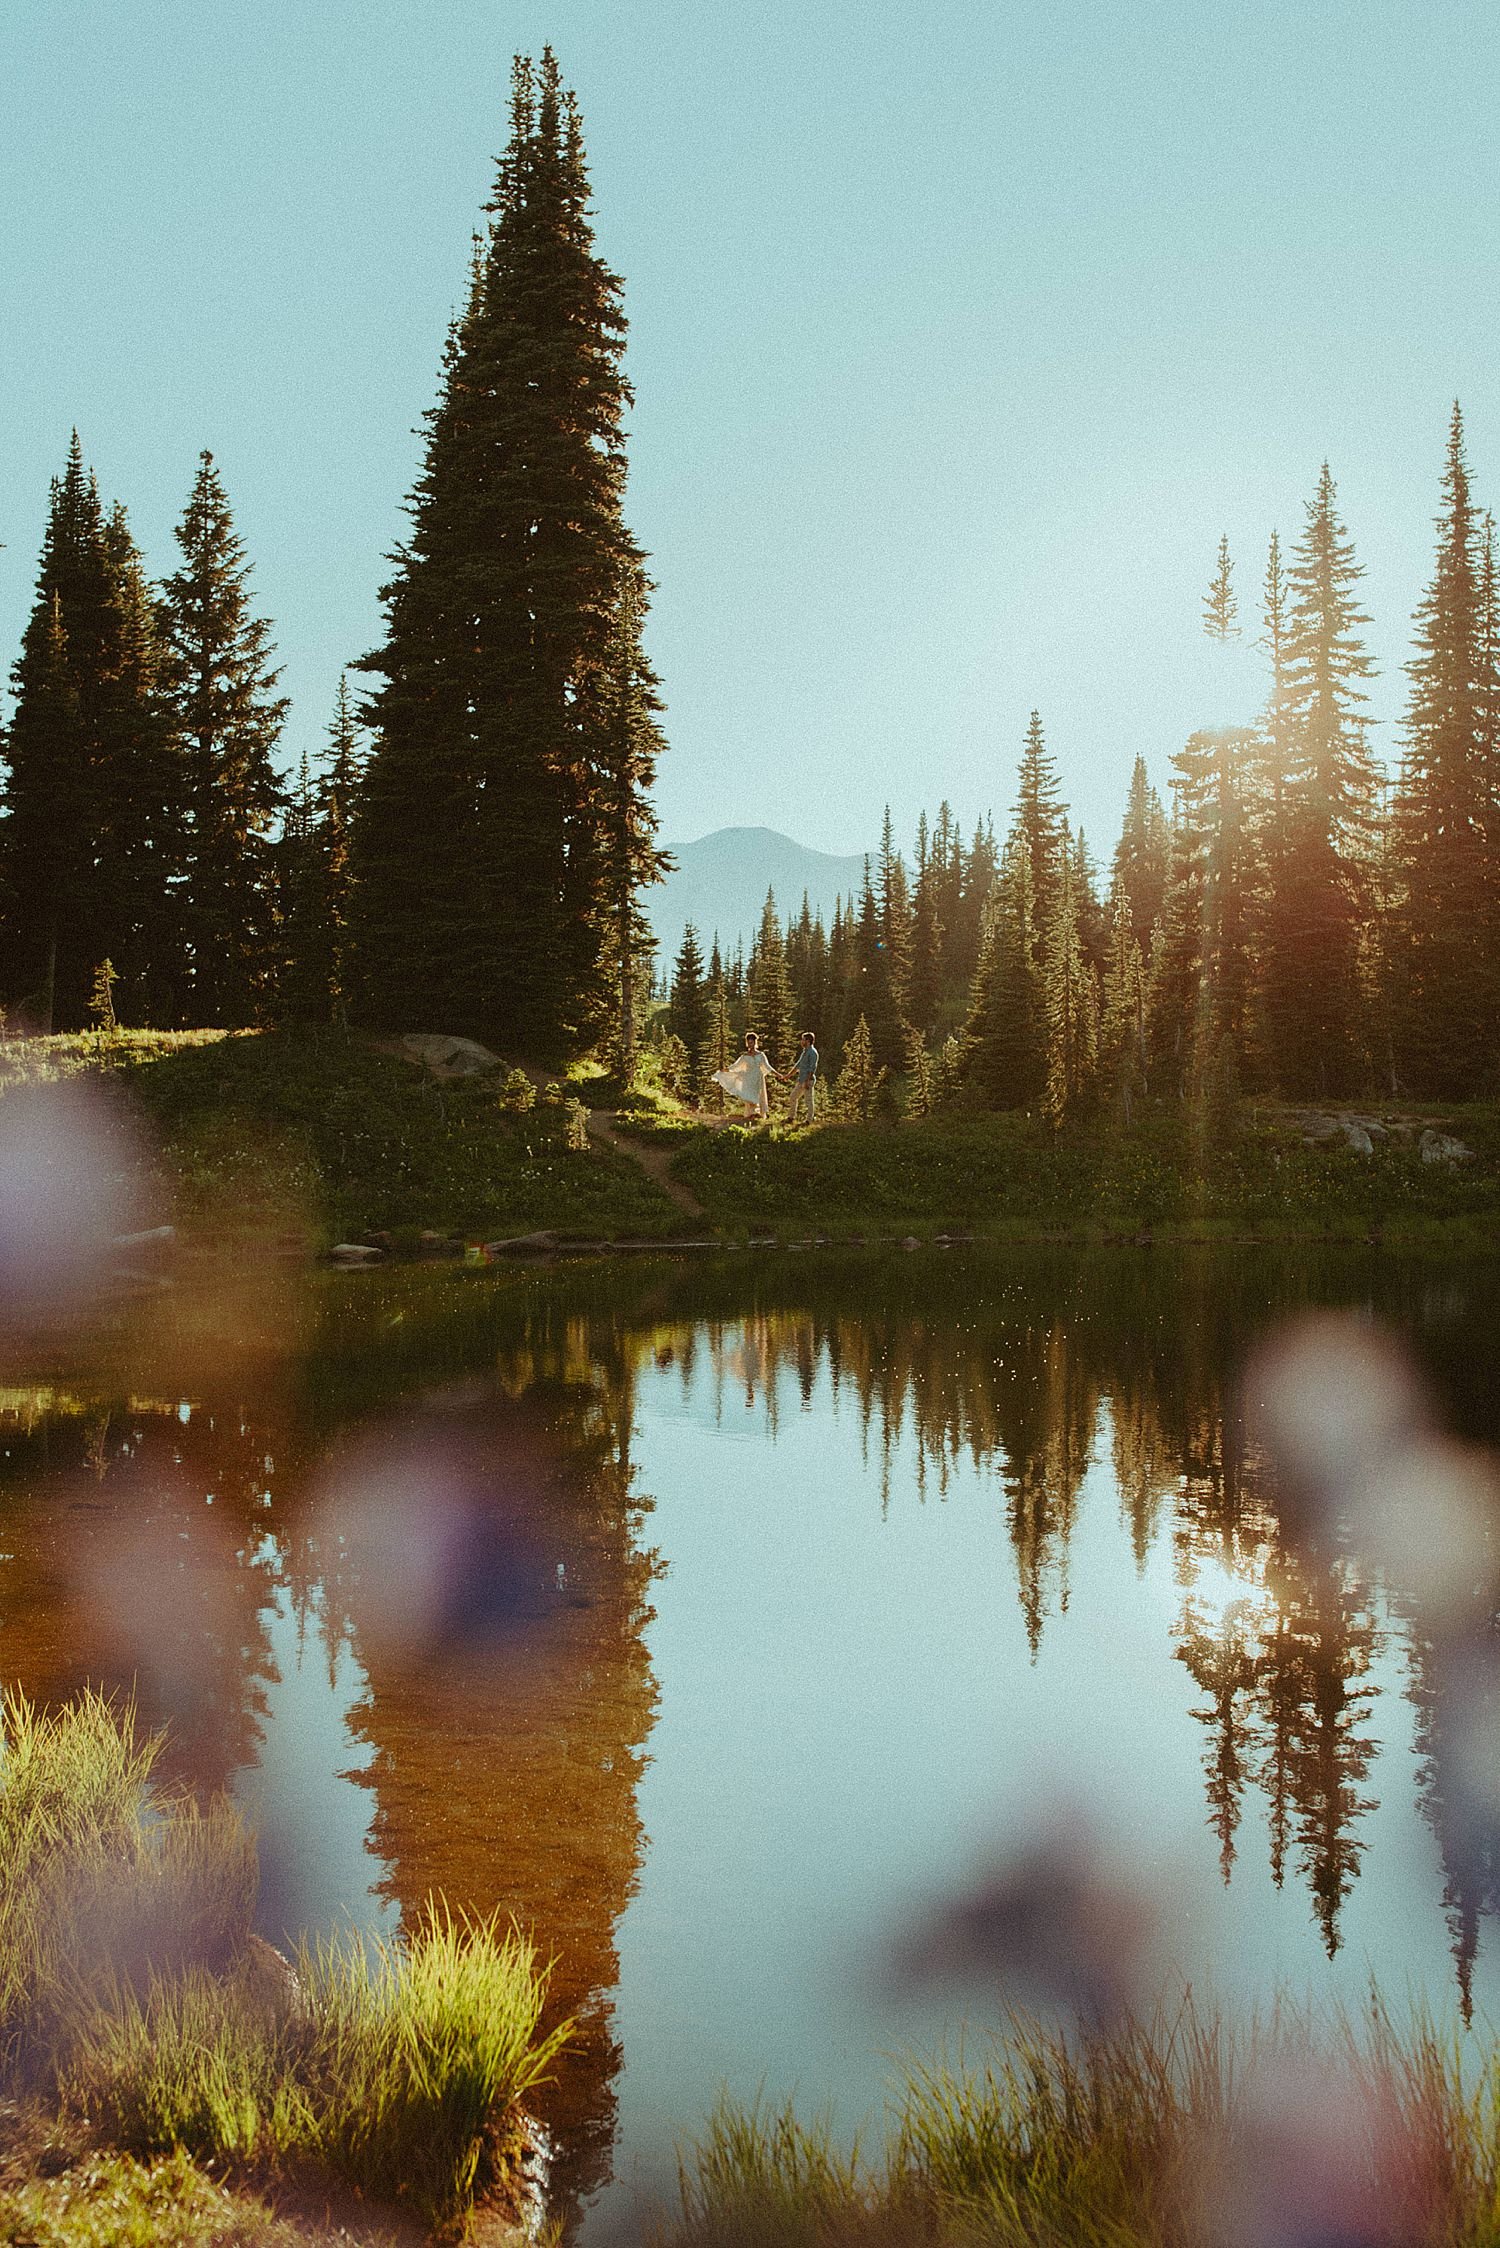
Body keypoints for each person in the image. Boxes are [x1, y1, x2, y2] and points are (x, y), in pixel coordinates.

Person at [712, 1030, 777, 1121]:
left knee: (757, 1095)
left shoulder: (761, 1055)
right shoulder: (744, 1056)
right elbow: (735, 1066)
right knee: (749, 1096)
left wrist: (778, 1074)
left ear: (755, 1042)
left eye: (752, 1042)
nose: (751, 1044)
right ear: (747, 1043)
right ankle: (751, 1115)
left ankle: (757, 1115)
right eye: (749, 1042)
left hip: (758, 1078)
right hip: (748, 1078)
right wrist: (725, 1070)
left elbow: (767, 1066)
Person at [784, 1030, 819, 1125]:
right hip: (801, 1080)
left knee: (808, 1101)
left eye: (803, 1040)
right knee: (793, 1097)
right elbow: (798, 1065)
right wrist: (788, 1075)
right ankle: (791, 1117)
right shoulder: (805, 1052)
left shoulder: (812, 1052)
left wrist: (807, 1081)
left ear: (808, 1041)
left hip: (808, 1080)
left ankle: (809, 1120)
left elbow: (812, 1068)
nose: (801, 1042)